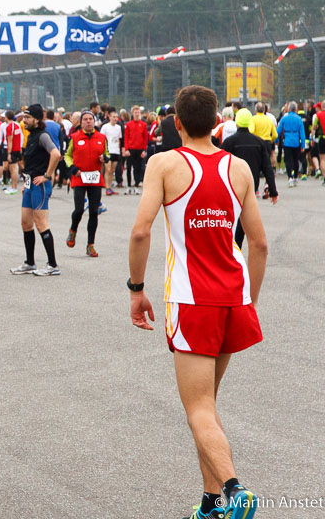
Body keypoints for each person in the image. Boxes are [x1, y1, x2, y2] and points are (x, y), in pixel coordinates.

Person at [128, 86, 266, 519]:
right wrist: (250, 300)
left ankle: (235, 491)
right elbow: (259, 245)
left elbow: (140, 231)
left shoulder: (164, 163)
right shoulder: (238, 168)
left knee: (199, 408)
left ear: (177, 124)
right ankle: (209, 503)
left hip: (192, 299)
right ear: (218, 122)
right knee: (207, 404)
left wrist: (135, 288)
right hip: (234, 297)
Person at [10, 104, 61, 276]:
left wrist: (47, 175)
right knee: (26, 223)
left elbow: (56, 154)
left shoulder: (43, 136)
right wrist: (26, 181)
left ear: (37, 119)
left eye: (27, 118)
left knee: (41, 224)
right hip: (30, 184)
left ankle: (52, 265)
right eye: (24, 117)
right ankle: (30, 262)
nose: (24, 120)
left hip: (41, 185)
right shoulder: (31, 136)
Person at [222, 109, 278, 247]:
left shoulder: (229, 142)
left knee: (231, 217)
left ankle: (231, 245)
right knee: (243, 218)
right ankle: (237, 245)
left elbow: (219, 164)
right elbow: (267, 168)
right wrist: (273, 191)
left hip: (231, 186)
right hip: (250, 186)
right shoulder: (258, 143)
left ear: (237, 122)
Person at [65, 111, 108, 257]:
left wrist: (105, 158)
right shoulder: (75, 137)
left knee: (94, 212)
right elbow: (67, 155)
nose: (88, 121)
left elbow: (106, 154)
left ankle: (90, 245)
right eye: (85, 119)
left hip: (95, 177)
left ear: (94, 121)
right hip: (79, 177)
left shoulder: (102, 137)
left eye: (91, 119)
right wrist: (72, 168)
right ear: (81, 122)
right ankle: (73, 230)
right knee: (79, 210)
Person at [276, 102, 305, 187]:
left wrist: (277, 140)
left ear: (288, 109)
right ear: (296, 109)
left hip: (287, 141)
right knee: (296, 160)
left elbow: (278, 130)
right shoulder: (299, 119)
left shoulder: (284, 118)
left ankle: (290, 178)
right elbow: (302, 133)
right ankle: (295, 176)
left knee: (288, 160)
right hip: (296, 141)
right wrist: (302, 145)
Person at [123, 106, 149, 194]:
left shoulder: (143, 124)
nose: (137, 114)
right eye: (135, 112)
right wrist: (126, 149)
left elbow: (145, 138)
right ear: (132, 113)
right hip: (130, 149)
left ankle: (136, 185)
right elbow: (126, 137)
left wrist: (144, 150)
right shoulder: (128, 124)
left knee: (137, 168)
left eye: (138, 113)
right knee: (129, 168)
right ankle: (129, 186)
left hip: (140, 149)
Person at [100, 111, 122, 195]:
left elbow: (119, 139)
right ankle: (107, 187)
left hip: (115, 151)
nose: (115, 118)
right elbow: (102, 139)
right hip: (108, 150)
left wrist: (119, 149)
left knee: (112, 170)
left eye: (116, 117)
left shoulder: (118, 127)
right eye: (113, 117)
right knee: (108, 170)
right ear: (109, 117)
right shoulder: (105, 127)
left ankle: (110, 187)